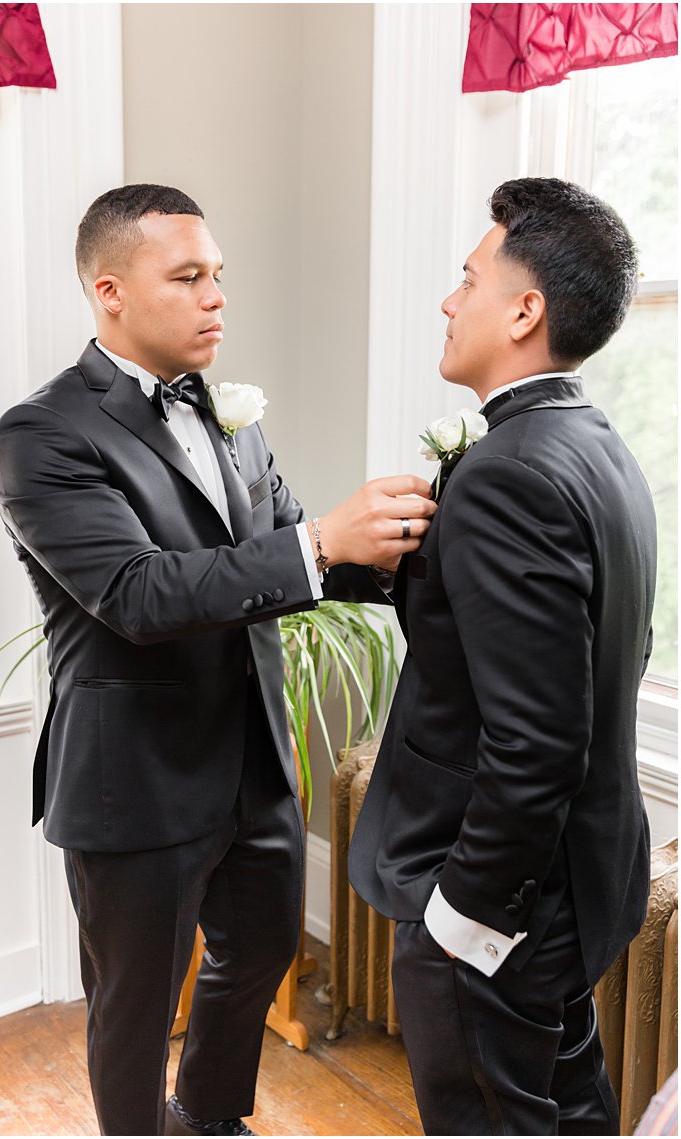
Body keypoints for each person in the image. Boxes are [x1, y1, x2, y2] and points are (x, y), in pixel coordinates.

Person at [0, 183, 435, 1137]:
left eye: (218, 276)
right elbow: (141, 594)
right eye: (187, 277)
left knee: (261, 953)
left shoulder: (235, 415)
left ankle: (211, 1115)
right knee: (134, 1009)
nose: (215, 297)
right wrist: (323, 539)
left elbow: (290, 560)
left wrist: (418, 557)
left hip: (256, 767)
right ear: (108, 291)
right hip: (134, 784)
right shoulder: (41, 434)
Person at [349, 177, 656, 1135]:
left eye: (468, 279)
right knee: (565, 1109)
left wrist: (462, 920)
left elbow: (537, 740)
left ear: (525, 310)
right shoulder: (597, 443)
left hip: (504, 904)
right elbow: (602, 652)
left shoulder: (508, 472)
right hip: (585, 877)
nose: (449, 300)